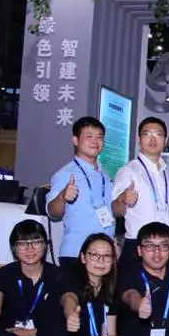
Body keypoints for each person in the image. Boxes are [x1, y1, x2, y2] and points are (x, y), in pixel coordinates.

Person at [46, 117, 115, 274]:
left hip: (105, 254)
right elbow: (52, 212)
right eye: (89, 136)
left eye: (99, 137)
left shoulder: (104, 175)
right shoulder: (65, 174)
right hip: (76, 253)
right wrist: (62, 197)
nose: (95, 141)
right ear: (76, 140)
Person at [112, 117, 169, 273]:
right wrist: (122, 199)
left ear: (165, 140)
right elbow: (115, 211)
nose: (153, 139)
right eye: (147, 134)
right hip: (138, 245)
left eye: (158, 134)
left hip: (165, 246)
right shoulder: (128, 171)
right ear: (139, 139)